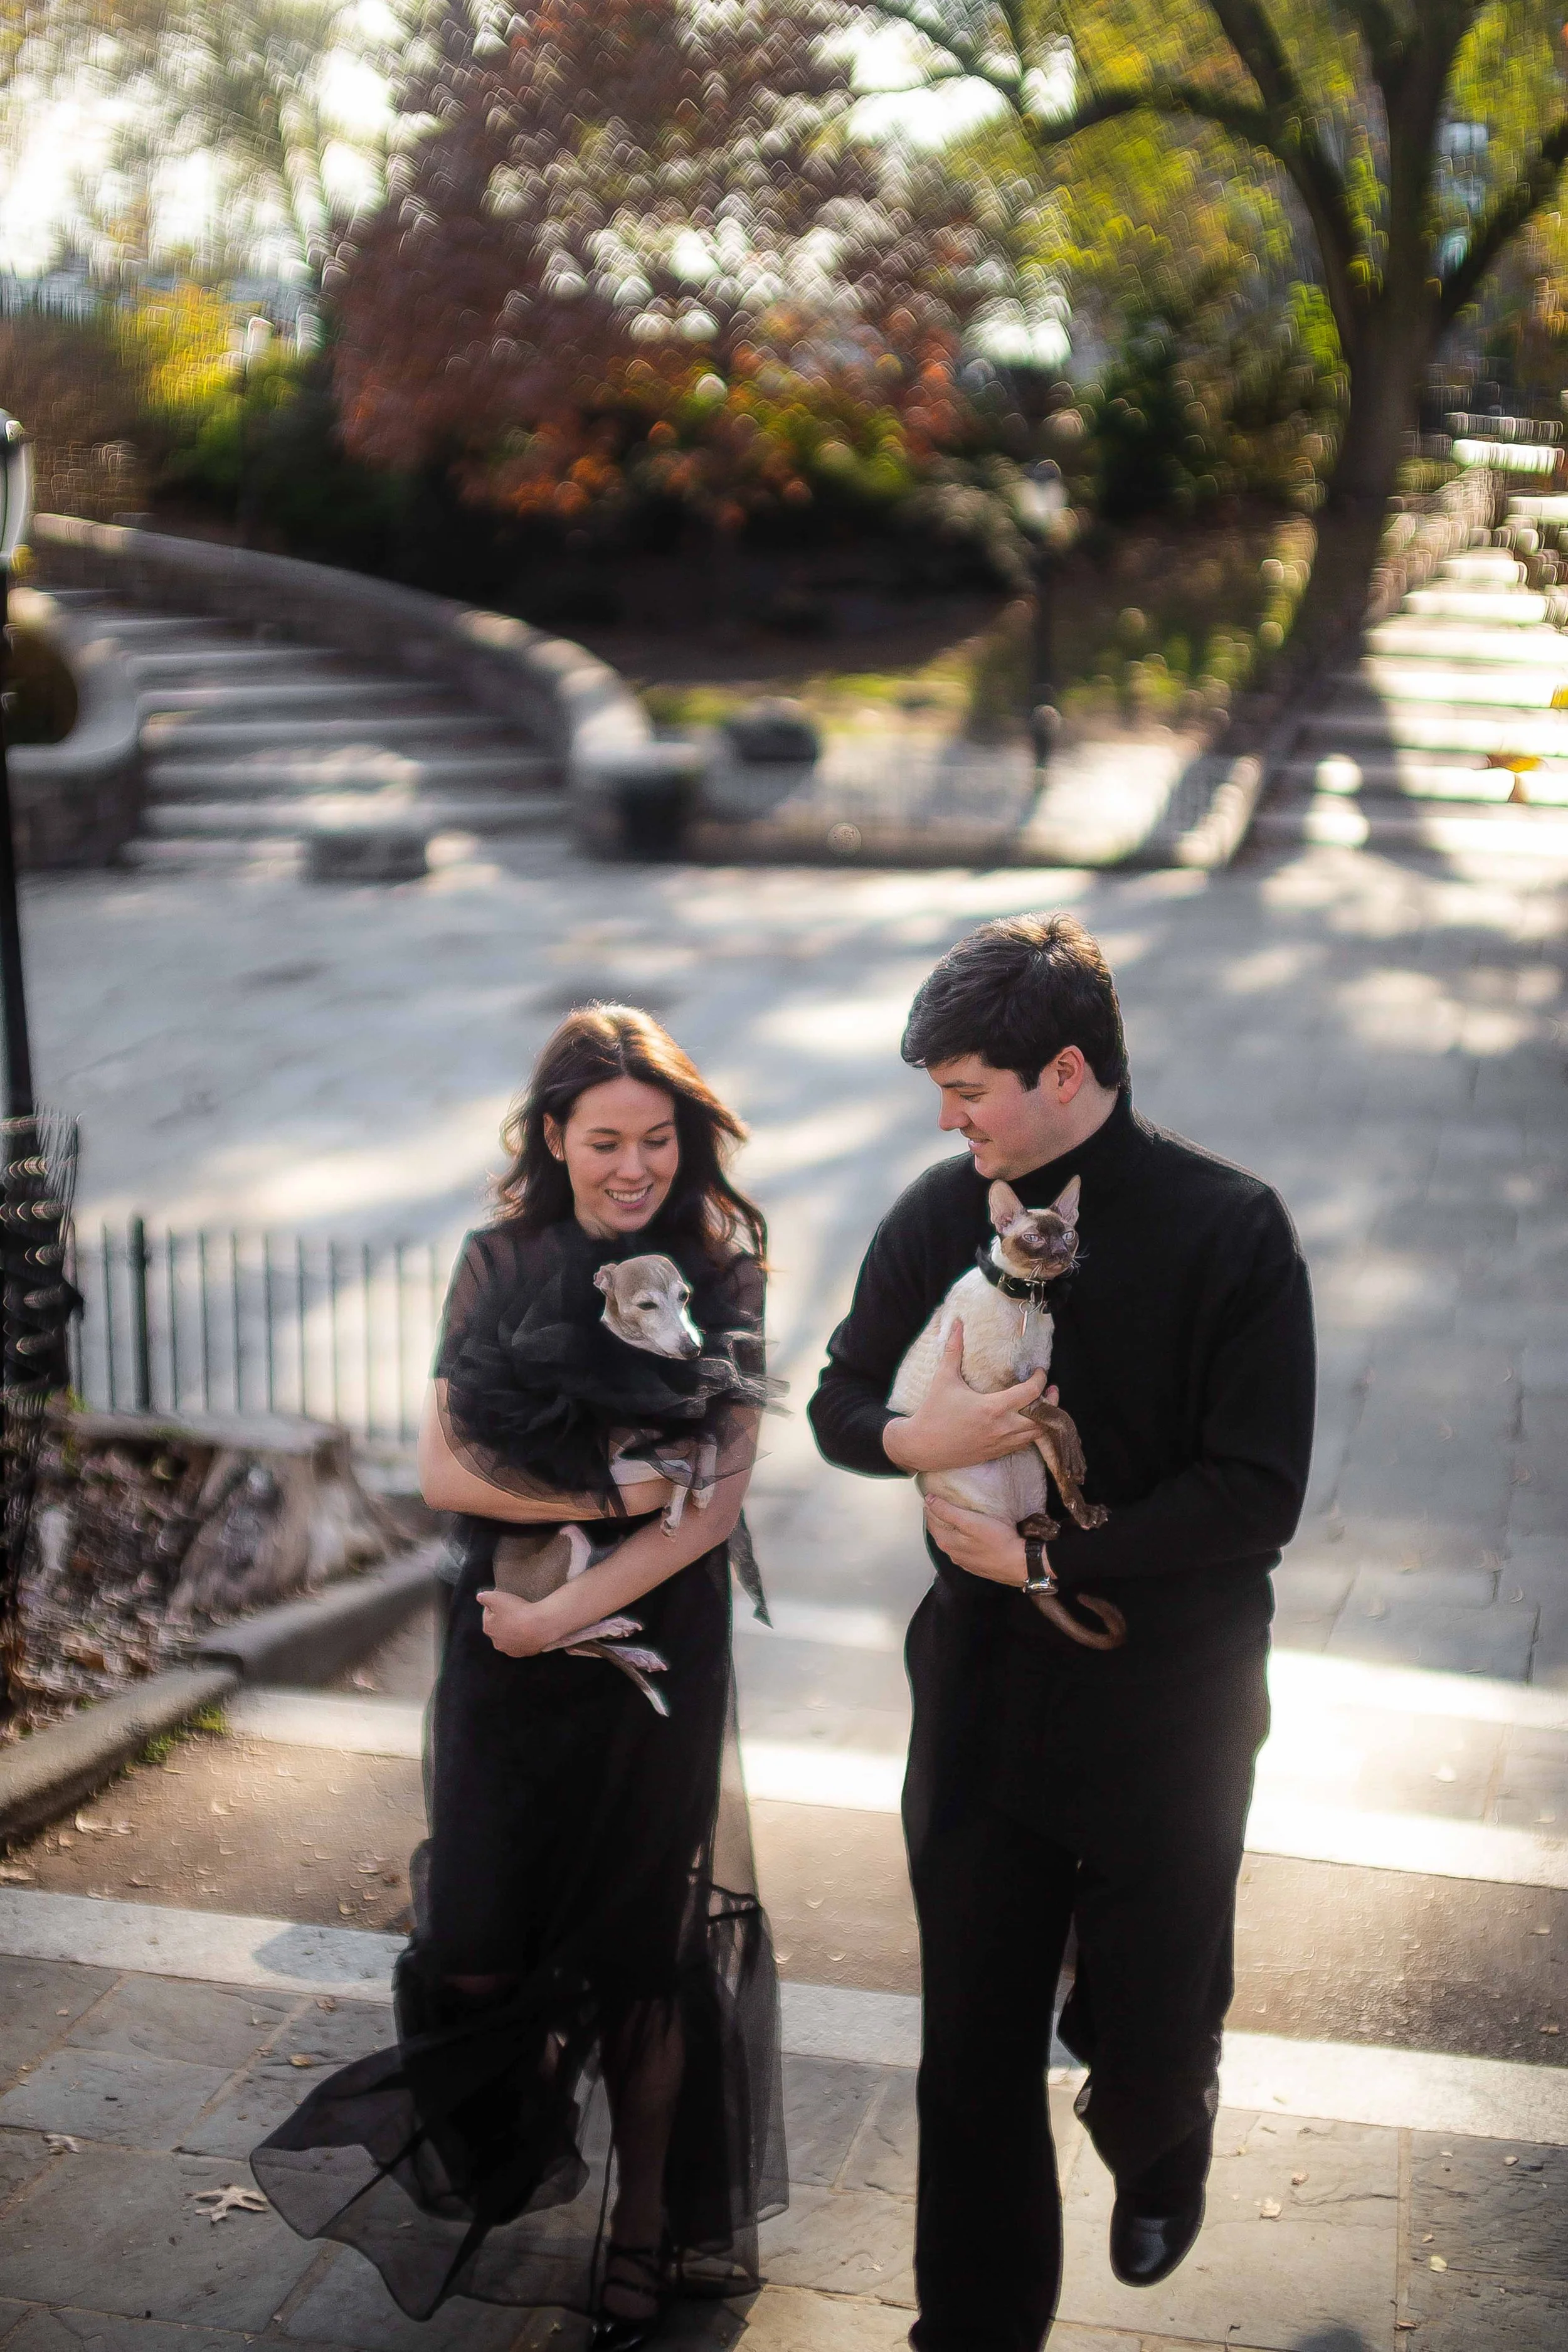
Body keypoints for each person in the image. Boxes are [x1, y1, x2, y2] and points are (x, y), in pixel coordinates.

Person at [808, 913, 1315, 2352]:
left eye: (968, 1088)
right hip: (979, 1698)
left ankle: (1159, 2118)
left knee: (1152, 2010)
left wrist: (1049, 1549)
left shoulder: (1233, 1228)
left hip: (1176, 1702)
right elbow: (840, 1405)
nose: (948, 1118)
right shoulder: (935, 1209)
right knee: (967, 2053)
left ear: (1067, 1068)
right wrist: (925, 1436)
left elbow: (1254, 1494)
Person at [253, 1005, 786, 2344]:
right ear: (553, 1139)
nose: (633, 1166)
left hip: (652, 1650)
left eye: (656, 1140)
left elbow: (712, 1507)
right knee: (480, 1945)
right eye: (604, 1139)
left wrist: (573, 1610)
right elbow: (441, 1472)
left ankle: (650, 2222)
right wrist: (610, 1489)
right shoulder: (499, 1262)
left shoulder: (723, 1274)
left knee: (640, 1950)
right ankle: (517, 2126)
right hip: (495, 1649)